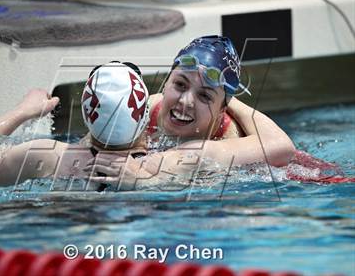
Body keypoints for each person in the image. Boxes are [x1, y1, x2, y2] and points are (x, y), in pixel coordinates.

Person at [80, 36, 296, 189]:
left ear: (223, 108)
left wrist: (145, 180)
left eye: (204, 96)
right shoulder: (147, 109)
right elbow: (88, 149)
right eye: (180, 85)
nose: (185, 102)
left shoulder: (227, 139)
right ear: (166, 82)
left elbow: (284, 148)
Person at [0, 61, 151, 188]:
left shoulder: (47, 155)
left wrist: (24, 111)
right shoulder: (165, 163)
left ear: (87, 113)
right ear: (144, 112)